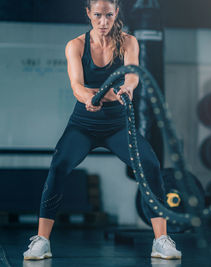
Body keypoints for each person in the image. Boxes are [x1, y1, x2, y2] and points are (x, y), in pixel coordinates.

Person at [23, 0, 181, 261]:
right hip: (83, 124)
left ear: (116, 12)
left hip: (118, 125)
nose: (104, 22)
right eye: (98, 15)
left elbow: (132, 75)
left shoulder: (129, 42)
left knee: (151, 165)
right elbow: (76, 85)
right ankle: (42, 240)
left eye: (109, 15)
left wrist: (128, 88)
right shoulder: (75, 46)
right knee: (58, 167)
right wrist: (92, 96)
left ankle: (161, 240)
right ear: (88, 14)